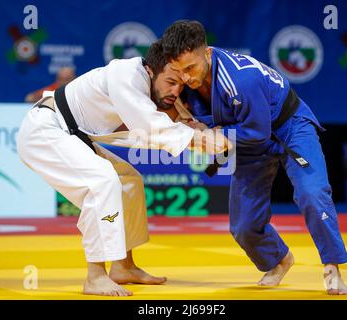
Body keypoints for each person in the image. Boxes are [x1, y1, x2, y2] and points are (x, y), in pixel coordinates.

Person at [17, 41, 224, 297]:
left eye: (180, 85)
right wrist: (199, 140)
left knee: (128, 180)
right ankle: (95, 276)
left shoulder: (150, 88)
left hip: (73, 134)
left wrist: (196, 129)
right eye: (171, 81)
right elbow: (150, 127)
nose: (175, 90)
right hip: (44, 130)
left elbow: (160, 125)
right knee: (102, 181)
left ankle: (123, 266)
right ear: (152, 70)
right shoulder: (126, 74)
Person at [161, 20, 347, 295]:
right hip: (246, 136)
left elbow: (258, 133)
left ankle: (333, 266)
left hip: (288, 129)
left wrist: (214, 134)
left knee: (312, 192)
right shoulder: (182, 81)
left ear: (208, 53)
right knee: (243, 226)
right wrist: (196, 129)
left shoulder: (241, 79)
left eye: (192, 68)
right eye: (180, 71)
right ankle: (278, 259)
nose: (187, 77)